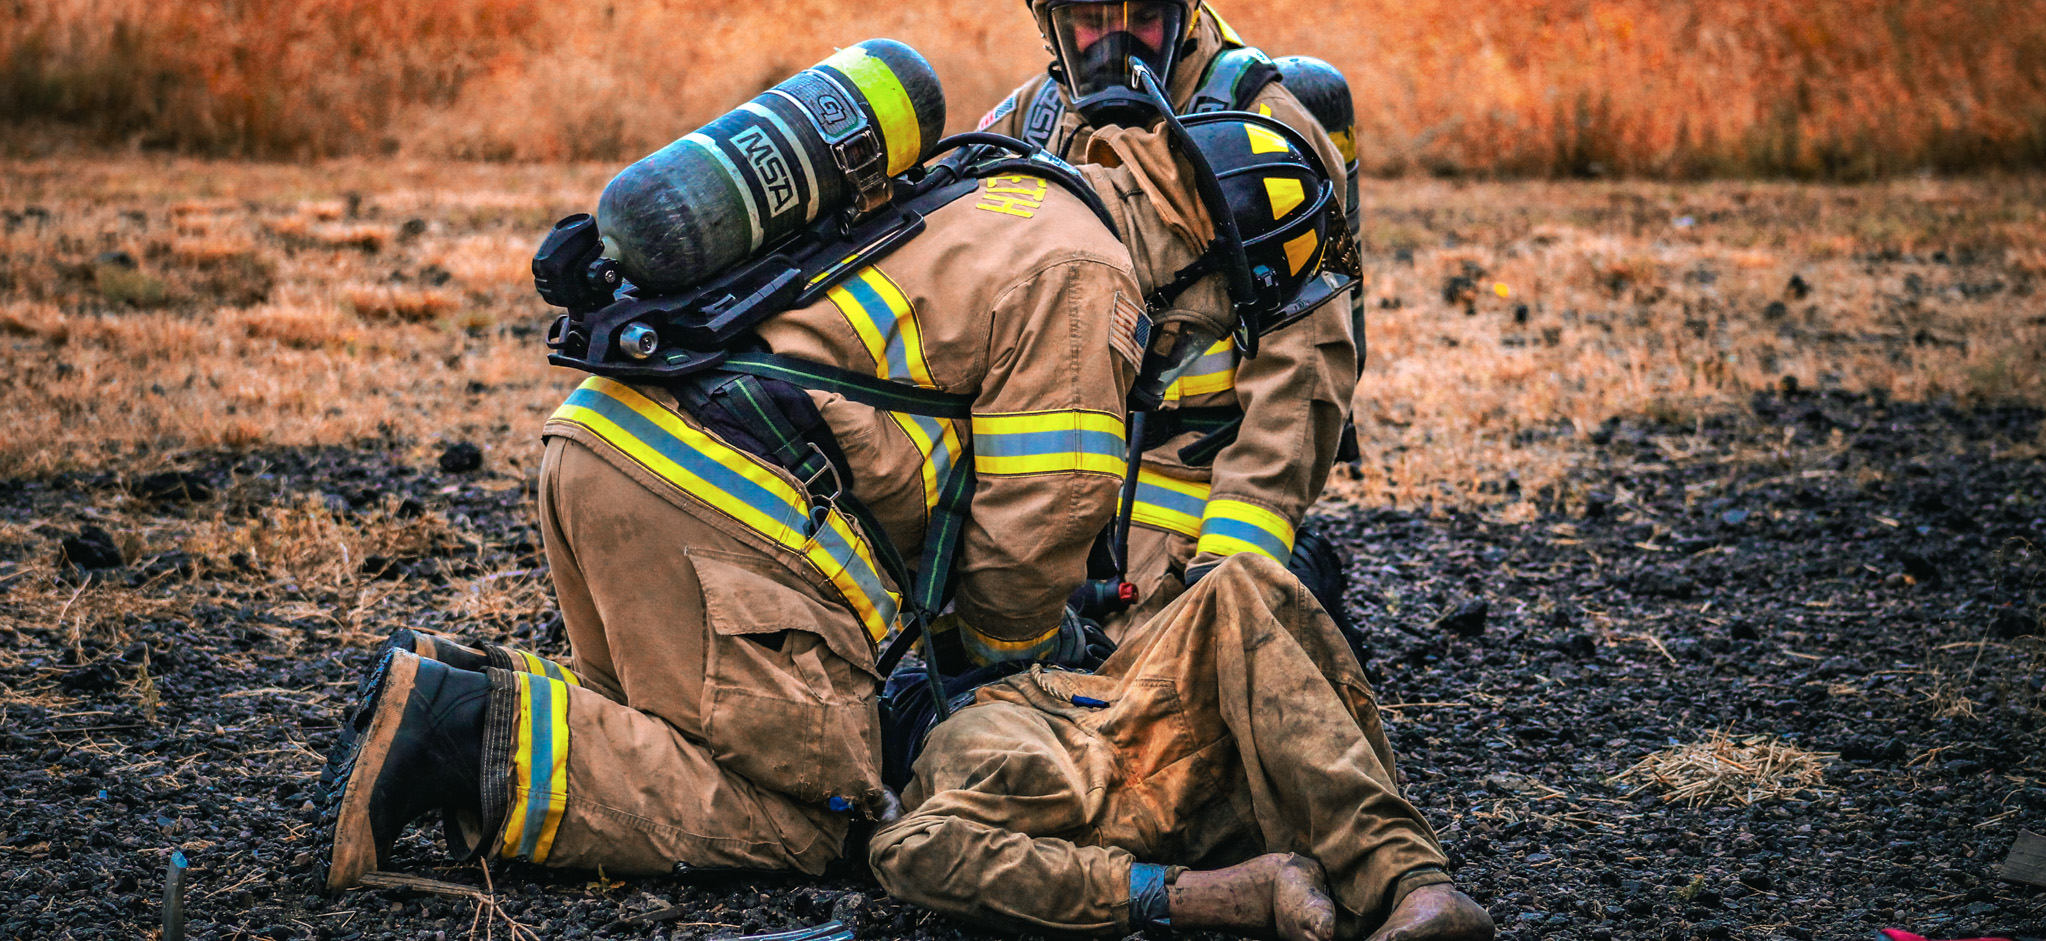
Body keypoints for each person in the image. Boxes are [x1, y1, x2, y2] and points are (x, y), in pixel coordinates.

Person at [316, 103, 1349, 893]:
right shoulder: (1091, 277)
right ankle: (453, 728)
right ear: (1215, 262)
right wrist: (1002, 676)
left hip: (607, 443)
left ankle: (448, 689)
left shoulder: (998, 182)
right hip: (719, 508)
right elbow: (1042, 521)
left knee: (661, 735)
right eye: (1231, 308)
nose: (1212, 331)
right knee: (824, 816)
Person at [980, 0, 1360, 637]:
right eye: (1090, 21)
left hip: (1189, 513)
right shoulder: (1027, 124)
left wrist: (1231, 577)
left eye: (1144, 16)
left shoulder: (1264, 140)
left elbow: (1306, 375)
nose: (1116, 43)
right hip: (1050, 520)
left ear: (1187, 1)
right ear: (1046, 18)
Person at [869, 553, 1493, 941]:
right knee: (914, 846)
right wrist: (1208, 898)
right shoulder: (955, 736)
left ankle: (1414, 886)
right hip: (999, 728)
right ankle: (1358, 885)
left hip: (1103, 704)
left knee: (1243, 583)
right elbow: (910, 847)